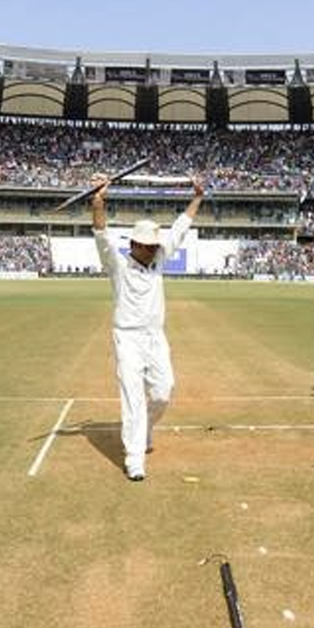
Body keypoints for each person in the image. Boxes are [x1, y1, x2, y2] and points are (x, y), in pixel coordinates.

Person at [91, 176, 204, 481]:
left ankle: (146, 429)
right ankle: (134, 457)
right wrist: (98, 199)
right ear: (134, 244)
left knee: (163, 392)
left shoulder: (159, 256)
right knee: (132, 397)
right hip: (127, 337)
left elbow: (180, 228)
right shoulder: (117, 263)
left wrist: (198, 197)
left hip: (155, 337)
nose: (155, 250)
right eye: (149, 246)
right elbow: (101, 233)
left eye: (156, 245)